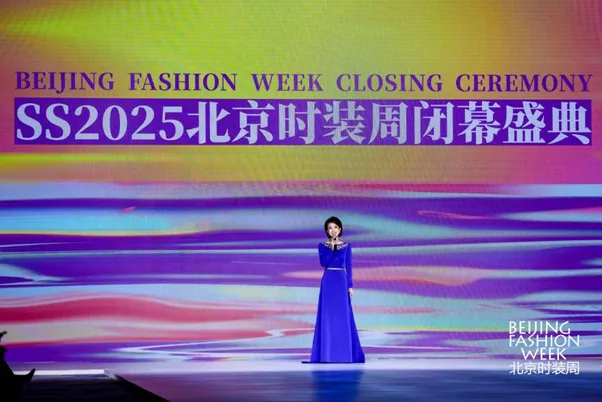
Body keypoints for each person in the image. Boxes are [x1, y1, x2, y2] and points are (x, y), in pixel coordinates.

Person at [306, 217, 365, 363]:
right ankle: (327, 354)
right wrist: (331, 247)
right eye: (330, 228)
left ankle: (344, 354)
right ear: (327, 231)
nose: (333, 230)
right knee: (327, 316)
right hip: (328, 281)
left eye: (335, 227)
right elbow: (324, 262)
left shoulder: (347, 246)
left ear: (340, 229)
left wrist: (350, 285)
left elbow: (349, 266)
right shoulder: (322, 246)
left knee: (342, 316)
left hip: (341, 280)